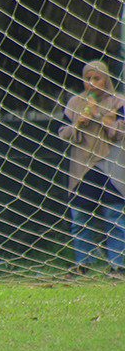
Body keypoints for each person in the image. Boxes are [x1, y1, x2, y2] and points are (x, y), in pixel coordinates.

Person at [57, 60, 125, 277]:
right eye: (87, 79)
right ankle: (82, 265)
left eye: (97, 78)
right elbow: (62, 132)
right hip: (82, 167)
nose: (92, 83)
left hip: (111, 167)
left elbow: (120, 132)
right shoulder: (74, 103)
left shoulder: (119, 102)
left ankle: (117, 266)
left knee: (114, 216)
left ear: (106, 79)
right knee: (79, 216)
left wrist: (99, 117)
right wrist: (80, 122)